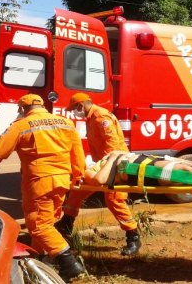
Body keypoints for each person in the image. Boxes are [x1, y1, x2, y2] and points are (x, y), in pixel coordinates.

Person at [0, 94, 86, 282]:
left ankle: (70, 264)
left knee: (39, 226)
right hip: (61, 181)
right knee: (48, 222)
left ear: (22, 109)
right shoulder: (66, 123)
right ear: (42, 106)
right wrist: (78, 175)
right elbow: (78, 153)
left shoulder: (21, 125)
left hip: (39, 181)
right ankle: (42, 259)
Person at [55, 92, 141, 256]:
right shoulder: (90, 117)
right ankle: (65, 225)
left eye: (74, 109)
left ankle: (133, 236)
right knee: (77, 192)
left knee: (114, 201)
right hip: (101, 165)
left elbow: (113, 146)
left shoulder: (101, 117)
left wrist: (104, 167)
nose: (74, 113)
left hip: (116, 164)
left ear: (80, 106)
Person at [81, 150, 192, 187]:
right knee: (186, 172)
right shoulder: (86, 171)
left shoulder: (93, 162)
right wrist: (113, 158)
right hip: (140, 172)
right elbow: (99, 180)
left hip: (144, 162)